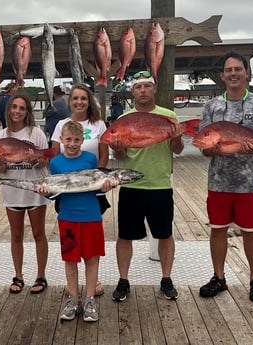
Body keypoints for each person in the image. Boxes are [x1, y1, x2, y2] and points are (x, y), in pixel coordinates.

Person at [198, 51, 253, 303]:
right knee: (217, 230)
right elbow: (203, 145)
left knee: (251, 231)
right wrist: (206, 148)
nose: (233, 74)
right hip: (218, 182)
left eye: (238, 69)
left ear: (247, 73)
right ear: (222, 75)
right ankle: (218, 277)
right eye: (228, 70)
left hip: (249, 183)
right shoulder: (212, 107)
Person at [108, 70, 183, 302]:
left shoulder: (168, 115)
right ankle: (123, 280)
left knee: (165, 234)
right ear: (133, 91)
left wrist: (178, 137)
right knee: (125, 235)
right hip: (131, 185)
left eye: (146, 86)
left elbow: (177, 150)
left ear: (154, 89)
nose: (142, 90)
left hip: (160, 184)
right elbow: (119, 155)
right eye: (138, 87)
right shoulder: (123, 120)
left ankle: (166, 279)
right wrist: (118, 146)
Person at [37, 120, 113, 322]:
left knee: (92, 259)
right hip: (67, 217)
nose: (72, 144)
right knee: (70, 260)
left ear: (83, 140)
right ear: (61, 140)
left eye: (76, 140)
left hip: (91, 216)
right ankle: (73, 299)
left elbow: (95, 187)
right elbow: (56, 193)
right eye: (68, 140)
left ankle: (89, 299)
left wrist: (104, 188)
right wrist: (46, 193)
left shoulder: (90, 159)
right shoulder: (56, 163)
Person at [50, 83, 109, 296]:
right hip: (68, 195)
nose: (79, 102)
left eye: (83, 98)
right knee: (71, 247)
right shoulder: (61, 125)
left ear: (89, 101)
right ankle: (74, 290)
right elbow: (55, 157)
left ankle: (91, 286)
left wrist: (101, 181)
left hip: (92, 190)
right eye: (75, 98)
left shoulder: (99, 124)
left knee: (90, 243)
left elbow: (103, 155)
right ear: (70, 101)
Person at [0, 94, 50, 294]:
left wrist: (35, 160)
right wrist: (0, 161)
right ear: (9, 110)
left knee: (38, 233)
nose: (17, 111)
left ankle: (41, 276)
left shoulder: (36, 133)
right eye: (14, 107)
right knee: (16, 235)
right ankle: (18, 276)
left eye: (22, 108)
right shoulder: (0, 138)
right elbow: (1, 170)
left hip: (34, 190)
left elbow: (45, 161)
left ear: (27, 113)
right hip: (12, 191)